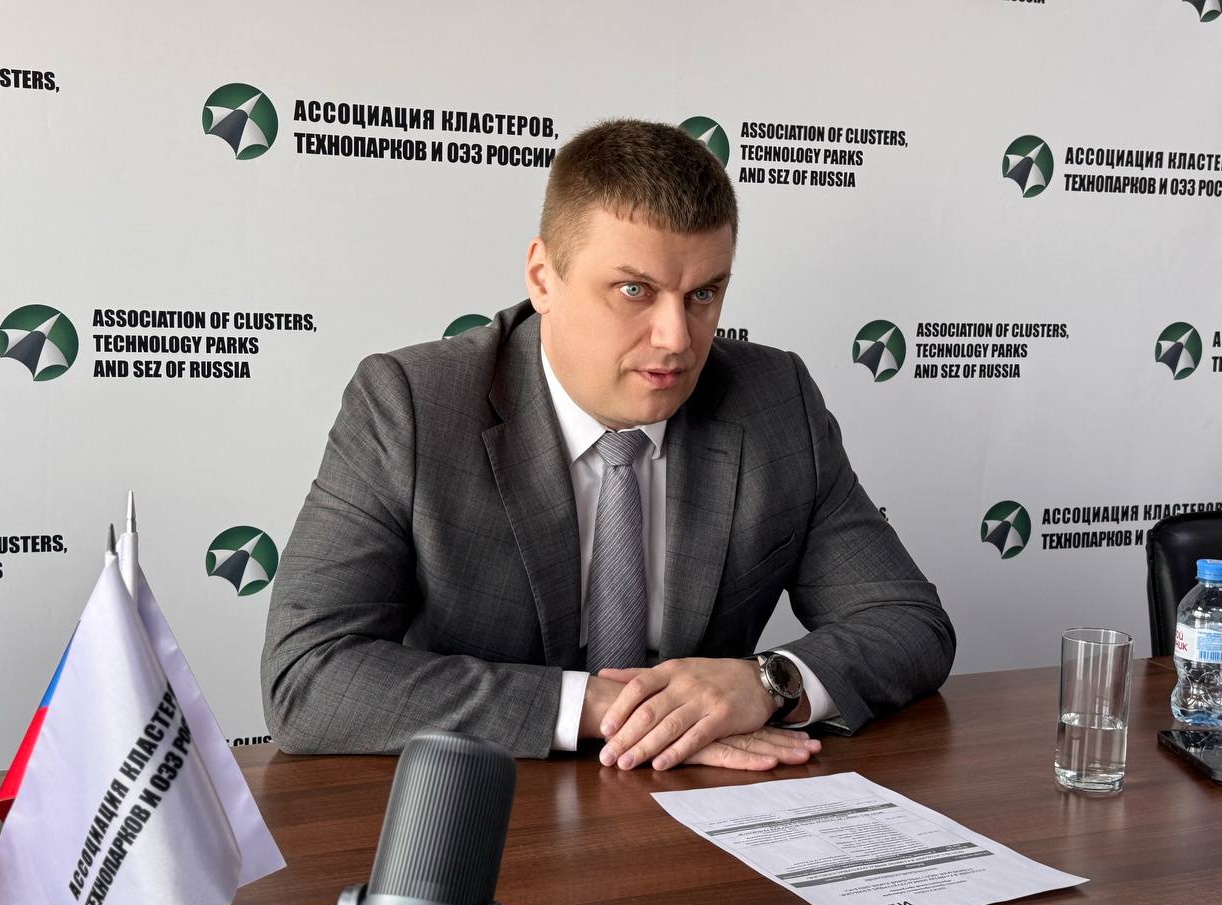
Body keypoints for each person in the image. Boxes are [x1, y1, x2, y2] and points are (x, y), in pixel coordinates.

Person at [261, 118, 955, 772]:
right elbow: (307, 674)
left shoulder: (776, 402)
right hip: (487, 801)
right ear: (543, 278)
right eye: (633, 289)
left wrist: (767, 682)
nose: (676, 339)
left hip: (705, 807)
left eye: (704, 294)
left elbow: (906, 621)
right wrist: (605, 708)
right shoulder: (412, 406)